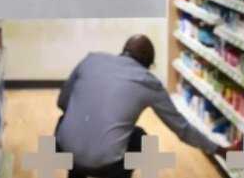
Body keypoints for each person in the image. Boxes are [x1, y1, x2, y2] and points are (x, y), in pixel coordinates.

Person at [55, 34, 231, 178]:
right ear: (148, 65)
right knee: (140, 139)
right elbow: (182, 129)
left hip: (63, 151)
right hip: (106, 165)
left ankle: (75, 173)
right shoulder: (148, 82)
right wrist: (219, 150)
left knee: (67, 122)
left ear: (123, 51)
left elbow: (62, 102)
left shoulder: (91, 60)